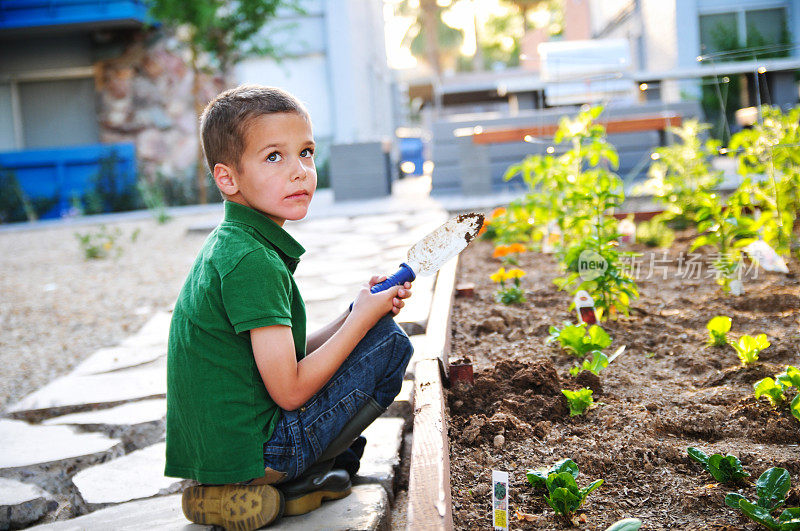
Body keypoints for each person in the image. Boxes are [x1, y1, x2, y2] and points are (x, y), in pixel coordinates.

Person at [164, 85, 414, 531]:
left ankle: (262, 488)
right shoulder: (252, 262)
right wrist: (362, 322)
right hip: (260, 453)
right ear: (228, 178)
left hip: (222, 452)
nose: (300, 171)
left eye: (307, 152)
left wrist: (354, 313)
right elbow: (291, 391)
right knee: (391, 346)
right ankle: (289, 480)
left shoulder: (233, 243)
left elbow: (286, 356)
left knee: (371, 335)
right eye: (274, 157)